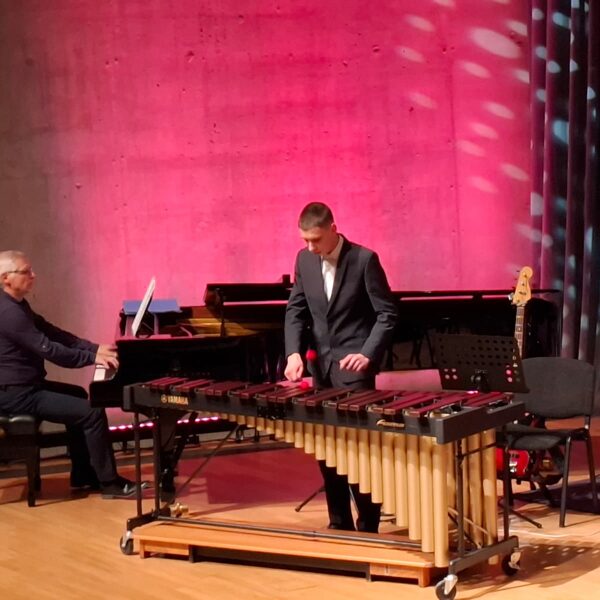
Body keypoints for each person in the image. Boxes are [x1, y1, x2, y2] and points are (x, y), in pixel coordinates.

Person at [284, 202, 398, 533]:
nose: (310, 247)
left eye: (316, 240)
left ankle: (368, 525)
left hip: (355, 372)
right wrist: (293, 354)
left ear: (333, 229)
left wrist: (367, 353)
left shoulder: (364, 259)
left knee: (360, 452)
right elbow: (296, 310)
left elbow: (387, 314)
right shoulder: (304, 260)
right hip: (321, 371)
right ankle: (339, 522)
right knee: (328, 450)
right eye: (305, 240)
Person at [0, 250, 144, 498]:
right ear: (6, 278)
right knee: (91, 412)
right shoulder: (8, 312)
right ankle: (110, 483)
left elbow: (54, 333)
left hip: (26, 386)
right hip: (16, 394)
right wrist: (91, 358)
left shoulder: (17, 304)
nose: (33, 275)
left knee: (78, 394)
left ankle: (83, 473)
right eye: (26, 272)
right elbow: (49, 349)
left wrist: (94, 348)